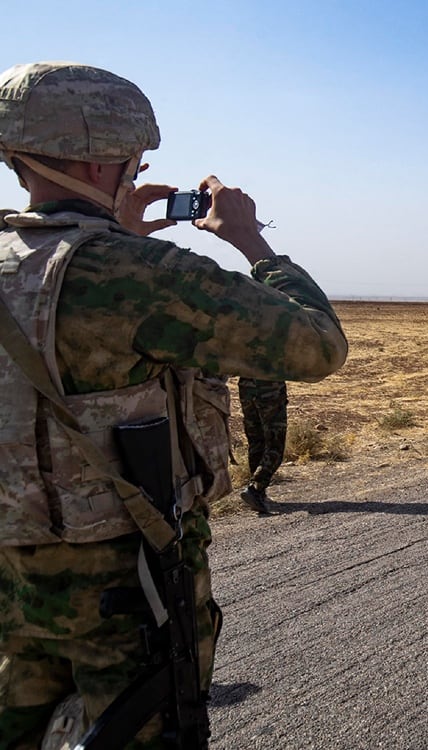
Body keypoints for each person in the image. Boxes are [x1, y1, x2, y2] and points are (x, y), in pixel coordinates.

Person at [0, 62, 347, 747]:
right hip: (128, 582)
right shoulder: (137, 277)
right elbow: (316, 346)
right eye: (135, 157)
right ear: (108, 159)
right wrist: (250, 238)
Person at [238, 378, 289, 514]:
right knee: (275, 443)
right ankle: (256, 488)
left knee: (256, 441)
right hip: (270, 388)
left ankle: (257, 493)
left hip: (246, 387)